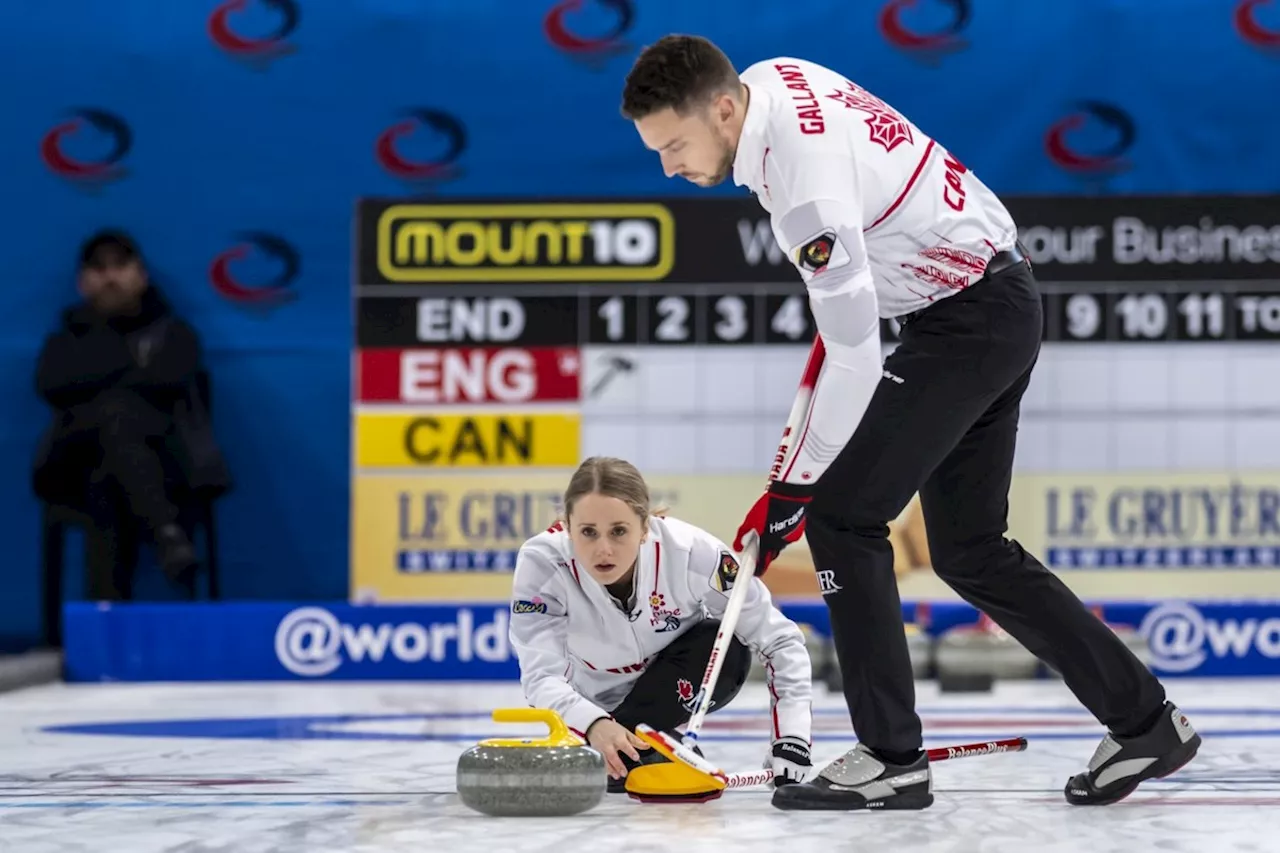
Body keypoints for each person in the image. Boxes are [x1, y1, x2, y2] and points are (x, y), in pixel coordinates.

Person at [620, 36, 1199, 811]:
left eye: (675, 145)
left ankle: (892, 756)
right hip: (993, 298)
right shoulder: (771, 80)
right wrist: (791, 477)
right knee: (970, 549)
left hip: (964, 319)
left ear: (723, 110)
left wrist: (797, 490)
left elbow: (855, 357)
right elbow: (843, 321)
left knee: (844, 517)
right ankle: (1147, 722)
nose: (669, 168)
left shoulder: (804, 191)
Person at [508, 455, 814, 793]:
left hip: (676, 681)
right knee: (615, 756)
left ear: (645, 527)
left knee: (724, 641)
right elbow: (540, 676)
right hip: (591, 699)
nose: (603, 549)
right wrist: (592, 722)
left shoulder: (691, 552)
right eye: (588, 533)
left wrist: (792, 737)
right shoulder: (543, 562)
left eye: (619, 531)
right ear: (566, 525)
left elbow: (780, 640)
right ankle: (640, 749)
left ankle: (643, 745)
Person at [33, 229, 231, 600]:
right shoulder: (64, 339)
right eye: (99, 269)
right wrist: (130, 367)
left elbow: (169, 377)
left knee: (107, 471)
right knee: (114, 422)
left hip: (164, 463)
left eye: (121, 266)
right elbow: (50, 384)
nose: (110, 277)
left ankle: (106, 626)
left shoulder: (175, 333)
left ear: (141, 276)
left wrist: (94, 381)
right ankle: (166, 534)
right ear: (82, 282)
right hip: (74, 465)